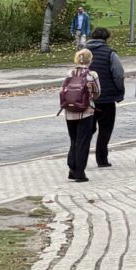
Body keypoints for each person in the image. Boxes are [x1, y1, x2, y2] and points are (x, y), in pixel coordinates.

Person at [59, 45, 99, 181]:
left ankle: (72, 168)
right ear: (90, 60)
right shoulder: (91, 75)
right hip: (85, 112)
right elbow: (97, 93)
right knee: (83, 141)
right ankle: (80, 173)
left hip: (69, 111)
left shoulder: (69, 73)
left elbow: (63, 90)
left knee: (74, 140)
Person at [87, 26, 125, 166]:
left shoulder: (83, 53)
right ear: (106, 38)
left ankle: (80, 158)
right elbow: (118, 75)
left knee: (87, 131)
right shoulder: (110, 54)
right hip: (106, 98)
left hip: (87, 99)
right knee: (105, 130)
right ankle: (102, 159)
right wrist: (119, 91)